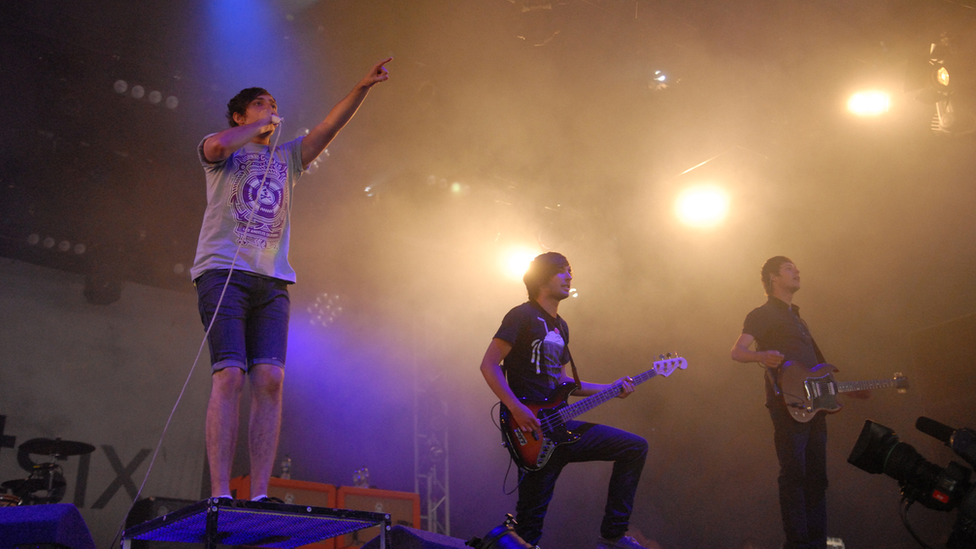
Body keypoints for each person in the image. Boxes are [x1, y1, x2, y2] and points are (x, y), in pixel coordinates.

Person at [191, 58, 392, 501]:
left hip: (272, 281)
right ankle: (221, 491)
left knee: (270, 379)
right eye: (261, 104)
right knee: (229, 377)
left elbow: (328, 128)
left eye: (275, 104)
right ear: (241, 116)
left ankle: (260, 493)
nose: (271, 109)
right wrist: (259, 126)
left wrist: (362, 86)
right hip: (223, 273)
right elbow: (218, 147)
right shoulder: (220, 147)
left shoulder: (287, 158)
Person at [479, 252, 649, 549]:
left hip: (561, 428)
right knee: (529, 530)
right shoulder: (521, 315)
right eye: (563, 271)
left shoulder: (561, 326)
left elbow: (564, 383)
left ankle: (612, 536)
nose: (570, 277)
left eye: (571, 271)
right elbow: (489, 364)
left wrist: (611, 387)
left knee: (634, 447)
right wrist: (516, 408)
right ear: (543, 277)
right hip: (531, 431)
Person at [730, 256, 827, 549]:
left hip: (815, 404)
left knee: (817, 477)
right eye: (789, 268)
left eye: (796, 267)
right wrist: (761, 356)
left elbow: (819, 365)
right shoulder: (761, 314)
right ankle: (797, 543)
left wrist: (847, 387)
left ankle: (817, 542)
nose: (797, 271)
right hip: (787, 404)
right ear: (773, 277)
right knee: (794, 473)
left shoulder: (798, 318)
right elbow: (738, 351)